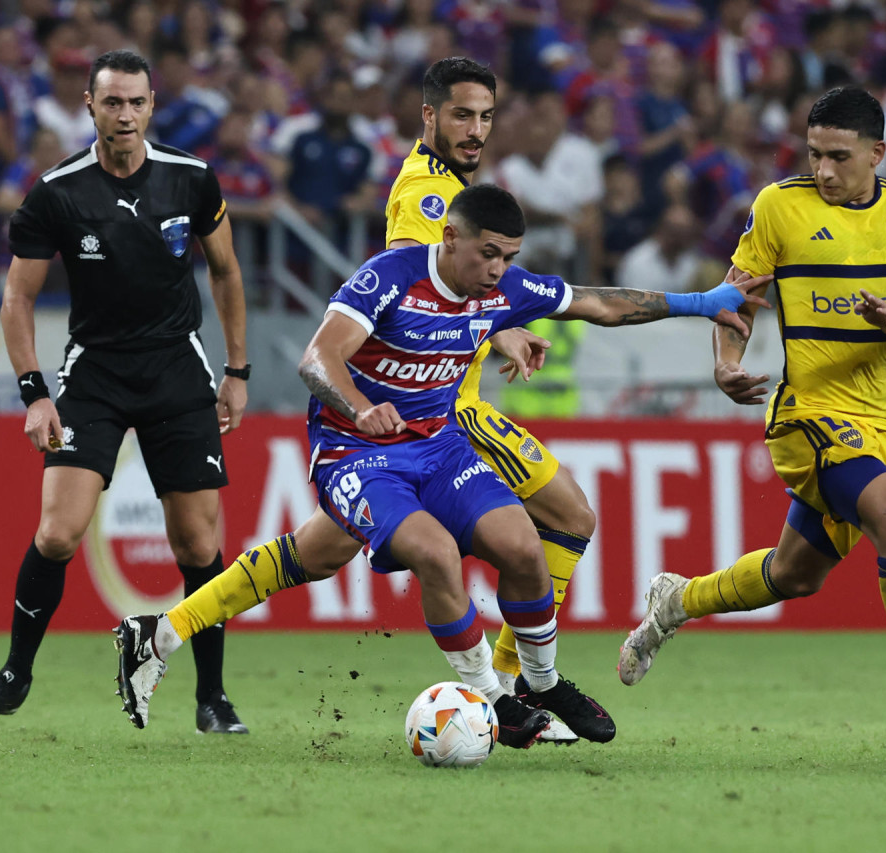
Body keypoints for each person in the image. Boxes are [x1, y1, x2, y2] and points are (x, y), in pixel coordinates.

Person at [114, 183, 772, 745]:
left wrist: (703, 303)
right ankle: (491, 699)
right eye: (487, 253)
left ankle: (539, 682)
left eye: (509, 257)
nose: (497, 269)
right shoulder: (388, 278)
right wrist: (361, 405)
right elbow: (317, 358)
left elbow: (597, 302)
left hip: (438, 446)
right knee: (434, 551)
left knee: (515, 543)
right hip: (358, 454)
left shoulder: (502, 288)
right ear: (449, 236)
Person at [109, 57, 610, 747]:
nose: (476, 129)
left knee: (313, 554)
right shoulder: (429, 194)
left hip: (417, 415)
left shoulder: (459, 187)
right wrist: (500, 330)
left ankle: (158, 632)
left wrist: (504, 323)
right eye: (462, 114)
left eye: (486, 116)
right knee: (565, 515)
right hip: (429, 409)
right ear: (429, 116)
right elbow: (419, 287)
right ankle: (510, 692)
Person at [617, 87, 886, 764]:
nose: (823, 170)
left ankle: (675, 599)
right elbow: (734, 299)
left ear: (876, 154)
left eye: (839, 156)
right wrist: (726, 361)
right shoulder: (780, 206)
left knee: (793, 574)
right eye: (814, 154)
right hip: (809, 416)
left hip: (883, 425)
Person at [0, 49, 252, 735]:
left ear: (152, 106)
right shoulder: (56, 192)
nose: (124, 114)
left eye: (135, 102)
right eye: (110, 101)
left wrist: (237, 371)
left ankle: (213, 694)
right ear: (88, 104)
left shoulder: (193, 179)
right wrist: (34, 393)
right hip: (96, 373)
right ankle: (14, 676)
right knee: (57, 532)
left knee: (197, 541)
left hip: (178, 367)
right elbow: (16, 298)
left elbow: (228, 274)